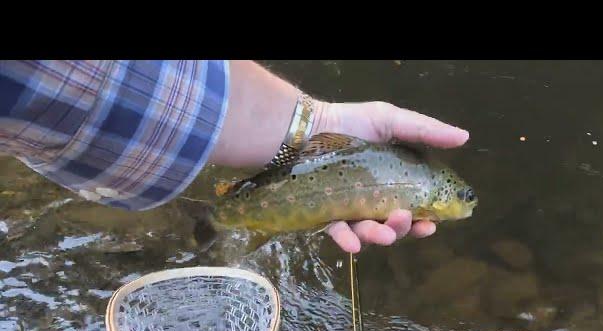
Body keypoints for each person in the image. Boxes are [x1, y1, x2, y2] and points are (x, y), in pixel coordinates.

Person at [0, 60, 469, 253]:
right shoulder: (427, 186)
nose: (467, 202)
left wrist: (312, 123)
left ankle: (220, 216)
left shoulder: (425, 181)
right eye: (463, 197)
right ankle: (218, 217)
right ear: (444, 193)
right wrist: (309, 125)